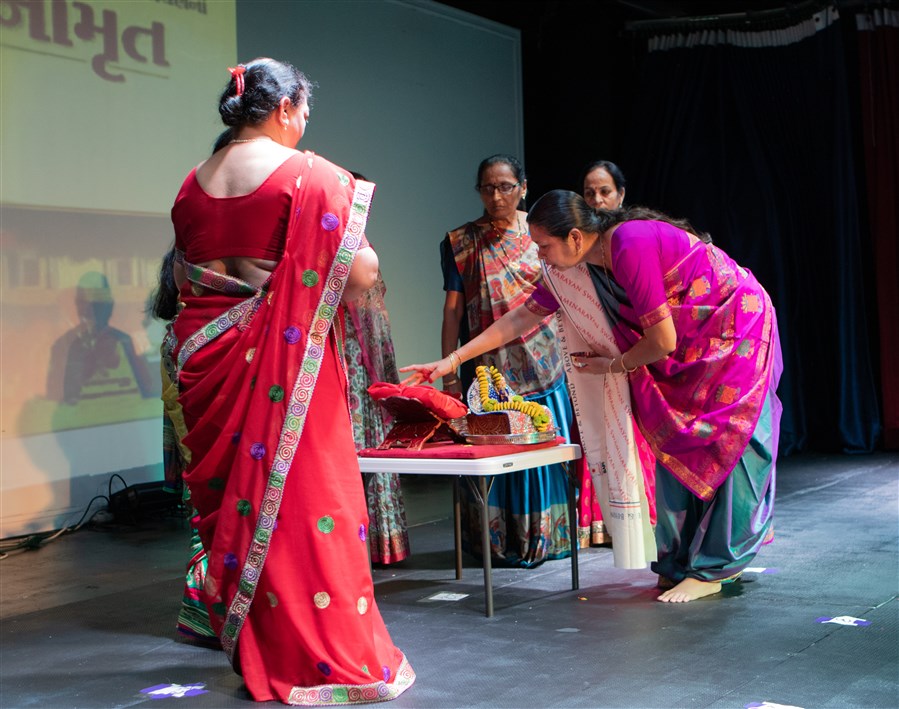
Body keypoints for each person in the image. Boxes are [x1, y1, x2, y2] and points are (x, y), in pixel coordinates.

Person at [168, 58, 414, 702]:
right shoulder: (309, 176)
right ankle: (322, 659)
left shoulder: (191, 184)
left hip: (206, 359)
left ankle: (258, 646)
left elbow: (185, 279)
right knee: (312, 507)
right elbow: (361, 275)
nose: (305, 125)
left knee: (246, 510)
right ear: (284, 109)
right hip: (283, 363)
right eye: (304, 112)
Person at [406, 190, 782, 602]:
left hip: (733, 333)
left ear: (574, 238)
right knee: (674, 448)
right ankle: (679, 562)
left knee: (730, 443)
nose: (540, 257)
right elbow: (522, 316)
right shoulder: (579, 268)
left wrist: (615, 365)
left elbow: (662, 339)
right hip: (686, 352)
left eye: (544, 246)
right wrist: (452, 360)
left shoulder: (628, 243)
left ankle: (716, 568)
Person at [440, 154, 571, 567]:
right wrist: (448, 373)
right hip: (488, 371)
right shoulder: (460, 242)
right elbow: (453, 312)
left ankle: (547, 539)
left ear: (524, 187)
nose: (495, 197)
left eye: (505, 187)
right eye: (487, 188)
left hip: (546, 364)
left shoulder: (541, 236)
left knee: (542, 453)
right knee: (495, 455)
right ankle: (498, 543)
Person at [344, 173, 410, 564]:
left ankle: (381, 540)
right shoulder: (323, 253)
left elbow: (376, 320)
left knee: (375, 440)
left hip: (371, 366)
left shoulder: (364, 251)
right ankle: (350, 545)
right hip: (341, 365)